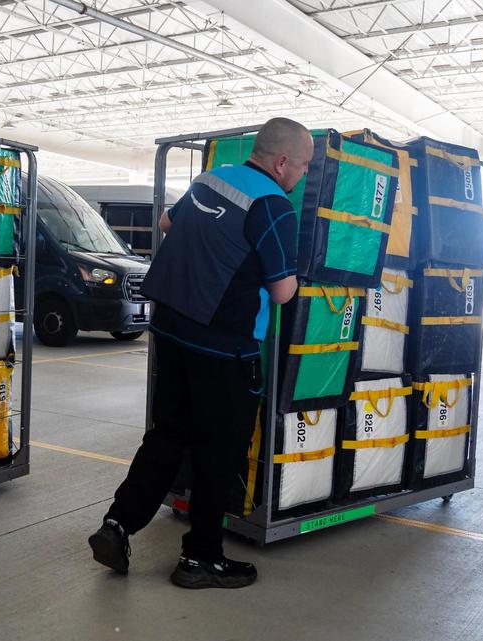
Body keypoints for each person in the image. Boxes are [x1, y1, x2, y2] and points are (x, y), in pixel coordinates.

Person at [87, 117, 313, 589]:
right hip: (225, 346)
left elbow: (169, 223)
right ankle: (200, 559)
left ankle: (118, 524)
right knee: (219, 450)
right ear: (282, 161)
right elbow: (283, 291)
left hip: (171, 330)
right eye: (304, 166)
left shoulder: (211, 180)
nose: (303, 176)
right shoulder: (274, 205)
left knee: (167, 435)